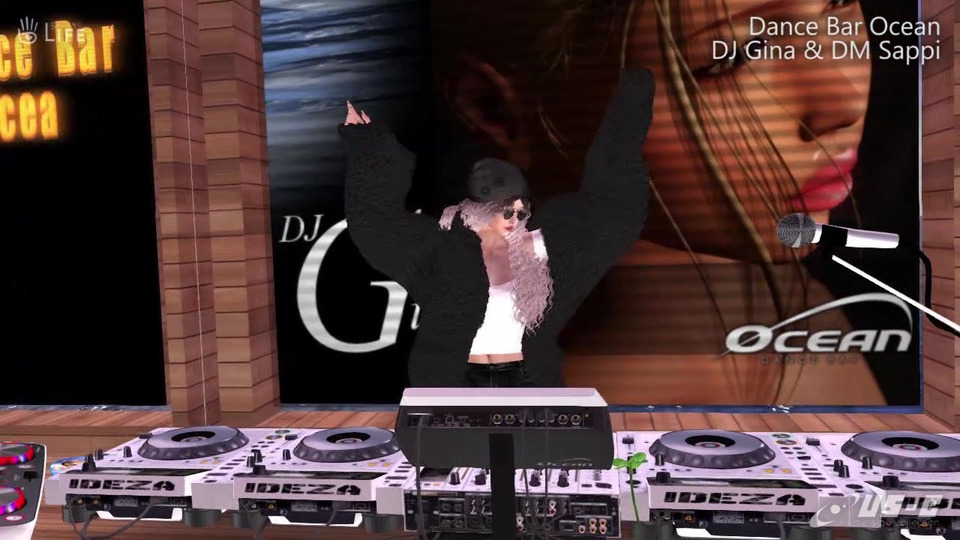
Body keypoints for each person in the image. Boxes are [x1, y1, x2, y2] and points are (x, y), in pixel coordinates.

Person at [428, 0, 911, 405]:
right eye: (735, 55)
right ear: (496, 110)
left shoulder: (793, 312)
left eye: (837, 6)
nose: (843, 102)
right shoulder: (576, 411)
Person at [339, 69, 653, 387]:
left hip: (525, 378)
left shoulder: (543, 247)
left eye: (522, 211)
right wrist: (368, 148)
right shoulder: (441, 249)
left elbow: (612, 209)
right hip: (455, 379)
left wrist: (632, 102)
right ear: (478, 211)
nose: (516, 219)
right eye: (507, 211)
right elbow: (377, 224)